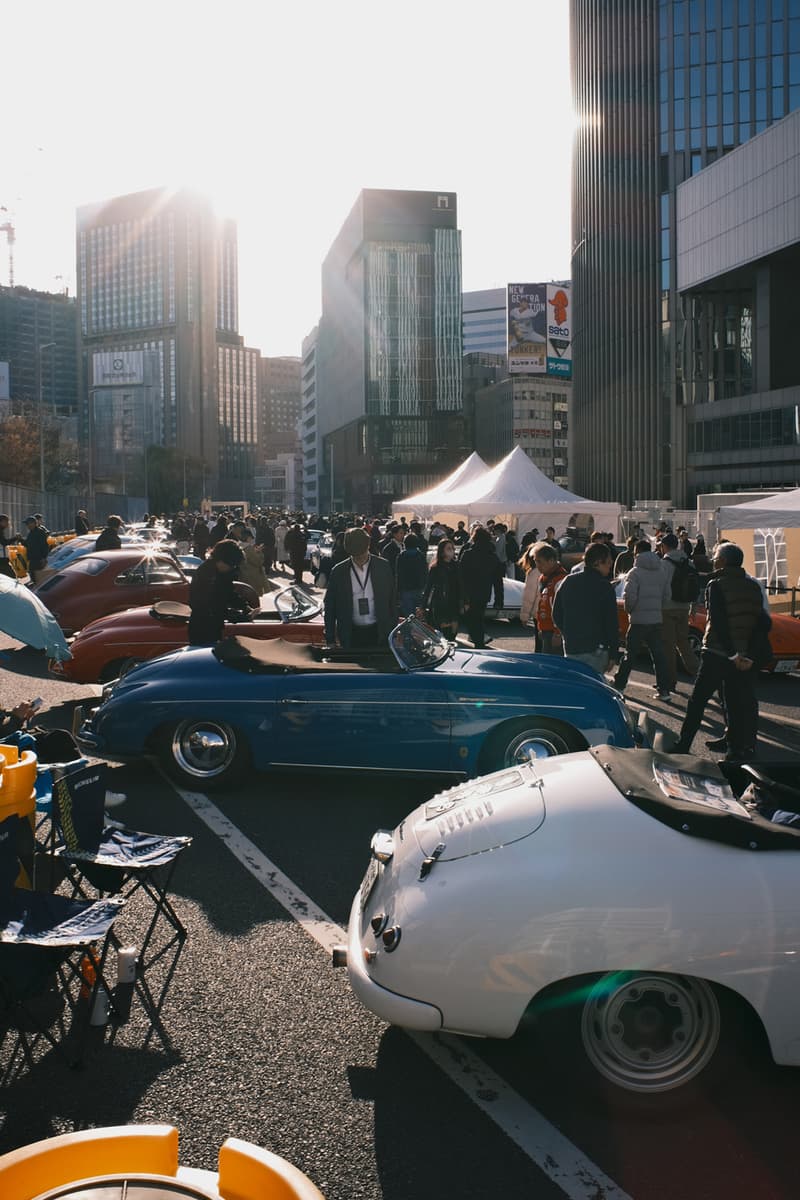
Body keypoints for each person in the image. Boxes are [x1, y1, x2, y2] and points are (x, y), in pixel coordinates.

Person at [671, 543, 768, 761]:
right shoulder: (753, 586)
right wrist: (746, 655)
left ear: (723, 561)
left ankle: (683, 744)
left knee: (698, 701)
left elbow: (719, 623)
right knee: (734, 703)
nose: (713, 560)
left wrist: (731, 653)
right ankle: (734, 751)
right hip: (742, 657)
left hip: (716, 652)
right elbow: (761, 624)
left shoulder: (716, 585)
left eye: (715, 557)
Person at [612, 540, 672, 699]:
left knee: (629, 655)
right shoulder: (661, 570)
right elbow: (667, 595)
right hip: (656, 619)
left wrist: (630, 610)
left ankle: (619, 685)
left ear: (637, 552)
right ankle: (664, 690)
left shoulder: (635, 572)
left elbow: (629, 597)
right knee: (658, 655)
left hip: (638, 620)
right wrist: (658, 609)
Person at [324, 526, 397, 649]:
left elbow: (393, 601)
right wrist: (330, 639)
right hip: (350, 634)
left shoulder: (383, 567)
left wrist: (393, 631)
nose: (359, 558)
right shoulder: (338, 571)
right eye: (355, 555)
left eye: (361, 553)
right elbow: (330, 607)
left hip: (380, 632)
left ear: (368, 545)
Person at [552, 542, 620, 675]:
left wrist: (567, 632)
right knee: (592, 686)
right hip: (596, 648)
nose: (610, 565)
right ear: (598, 562)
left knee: (575, 684)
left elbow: (556, 614)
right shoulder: (604, 587)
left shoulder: (568, 581)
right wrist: (613, 653)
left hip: (572, 646)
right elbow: (611, 623)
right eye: (608, 562)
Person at [658, 532, 701, 692]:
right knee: (683, 643)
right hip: (684, 608)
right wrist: (693, 607)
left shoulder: (664, 564)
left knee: (668, 646)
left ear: (664, 546)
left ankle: (669, 682)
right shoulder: (688, 562)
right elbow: (695, 585)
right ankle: (700, 674)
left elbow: (661, 588)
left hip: (667, 609)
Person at [187, 539, 246, 646]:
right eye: (230, 565)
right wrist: (234, 615)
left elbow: (229, 593)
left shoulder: (221, 573)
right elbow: (208, 604)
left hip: (214, 625)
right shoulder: (206, 574)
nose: (231, 568)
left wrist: (245, 607)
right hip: (202, 626)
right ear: (221, 560)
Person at [459, 526, 504, 649]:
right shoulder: (492, 557)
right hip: (484, 593)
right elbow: (498, 580)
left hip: (469, 593)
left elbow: (461, 576)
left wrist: (461, 595)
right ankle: (480, 640)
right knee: (478, 617)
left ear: (474, 538)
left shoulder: (468, 554)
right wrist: (499, 599)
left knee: (470, 619)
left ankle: (479, 641)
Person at [419, 539, 462, 639]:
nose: (451, 551)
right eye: (448, 549)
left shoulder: (456, 566)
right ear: (442, 551)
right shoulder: (436, 568)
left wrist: (465, 601)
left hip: (454, 602)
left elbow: (461, 584)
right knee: (442, 632)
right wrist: (422, 606)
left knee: (453, 632)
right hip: (440, 603)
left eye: (452, 548)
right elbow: (428, 587)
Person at [531, 542, 568, 654]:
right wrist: (540, 626)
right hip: (546, 630)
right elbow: (543, 603)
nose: (537, 566)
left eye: (540, 562)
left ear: (551, 561)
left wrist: (558, 633)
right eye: (536, 562)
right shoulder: (544, 578)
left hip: (555, 632)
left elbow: (563, 608)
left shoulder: (560, 579)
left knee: (554, 666)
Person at [396, 532, 429, 616]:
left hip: (405, 589)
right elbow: (425, 573)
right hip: (419, 588)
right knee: (419, 616)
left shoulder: (401, 556)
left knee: (409, 617)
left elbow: (398, 574)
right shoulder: (420, 556)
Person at [238, 528, 269, 596]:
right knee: (254, 596)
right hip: (252, 575)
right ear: (248, 537)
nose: (252, 540)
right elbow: (258, 562)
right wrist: (259, 552)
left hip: (243, 574)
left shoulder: (239, 546)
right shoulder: (248, 548)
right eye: (251, 538)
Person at [23, 515, 50, 583]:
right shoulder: (31, 533)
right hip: (32, 559)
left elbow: (45, 546)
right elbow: (27, 544)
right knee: (33, 576)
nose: (28, 525)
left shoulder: (40, 532)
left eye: (29, 523)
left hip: (39, 559)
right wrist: (20, 539)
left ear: (34, 523)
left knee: (39, 578)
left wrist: (44, 558)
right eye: (27, 524)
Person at [0, 514, 19, 580]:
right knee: (12, 577)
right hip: (1, 560)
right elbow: (4, 542)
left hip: (3, 559)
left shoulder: (1, 530)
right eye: (6, 521)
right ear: (2, 521)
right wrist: (15, 538)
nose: (8, 523)